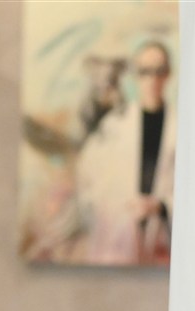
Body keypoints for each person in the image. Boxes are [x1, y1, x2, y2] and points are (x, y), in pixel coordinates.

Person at [74, 40, 177, 265]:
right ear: (135, 76)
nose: (152, 79)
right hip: (118, 242)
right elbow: (90, 181)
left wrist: (160, 206)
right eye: (145, 72)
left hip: (163, 246)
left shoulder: (180, 128)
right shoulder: (113, 126)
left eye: (159, 71)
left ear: (168, 74)